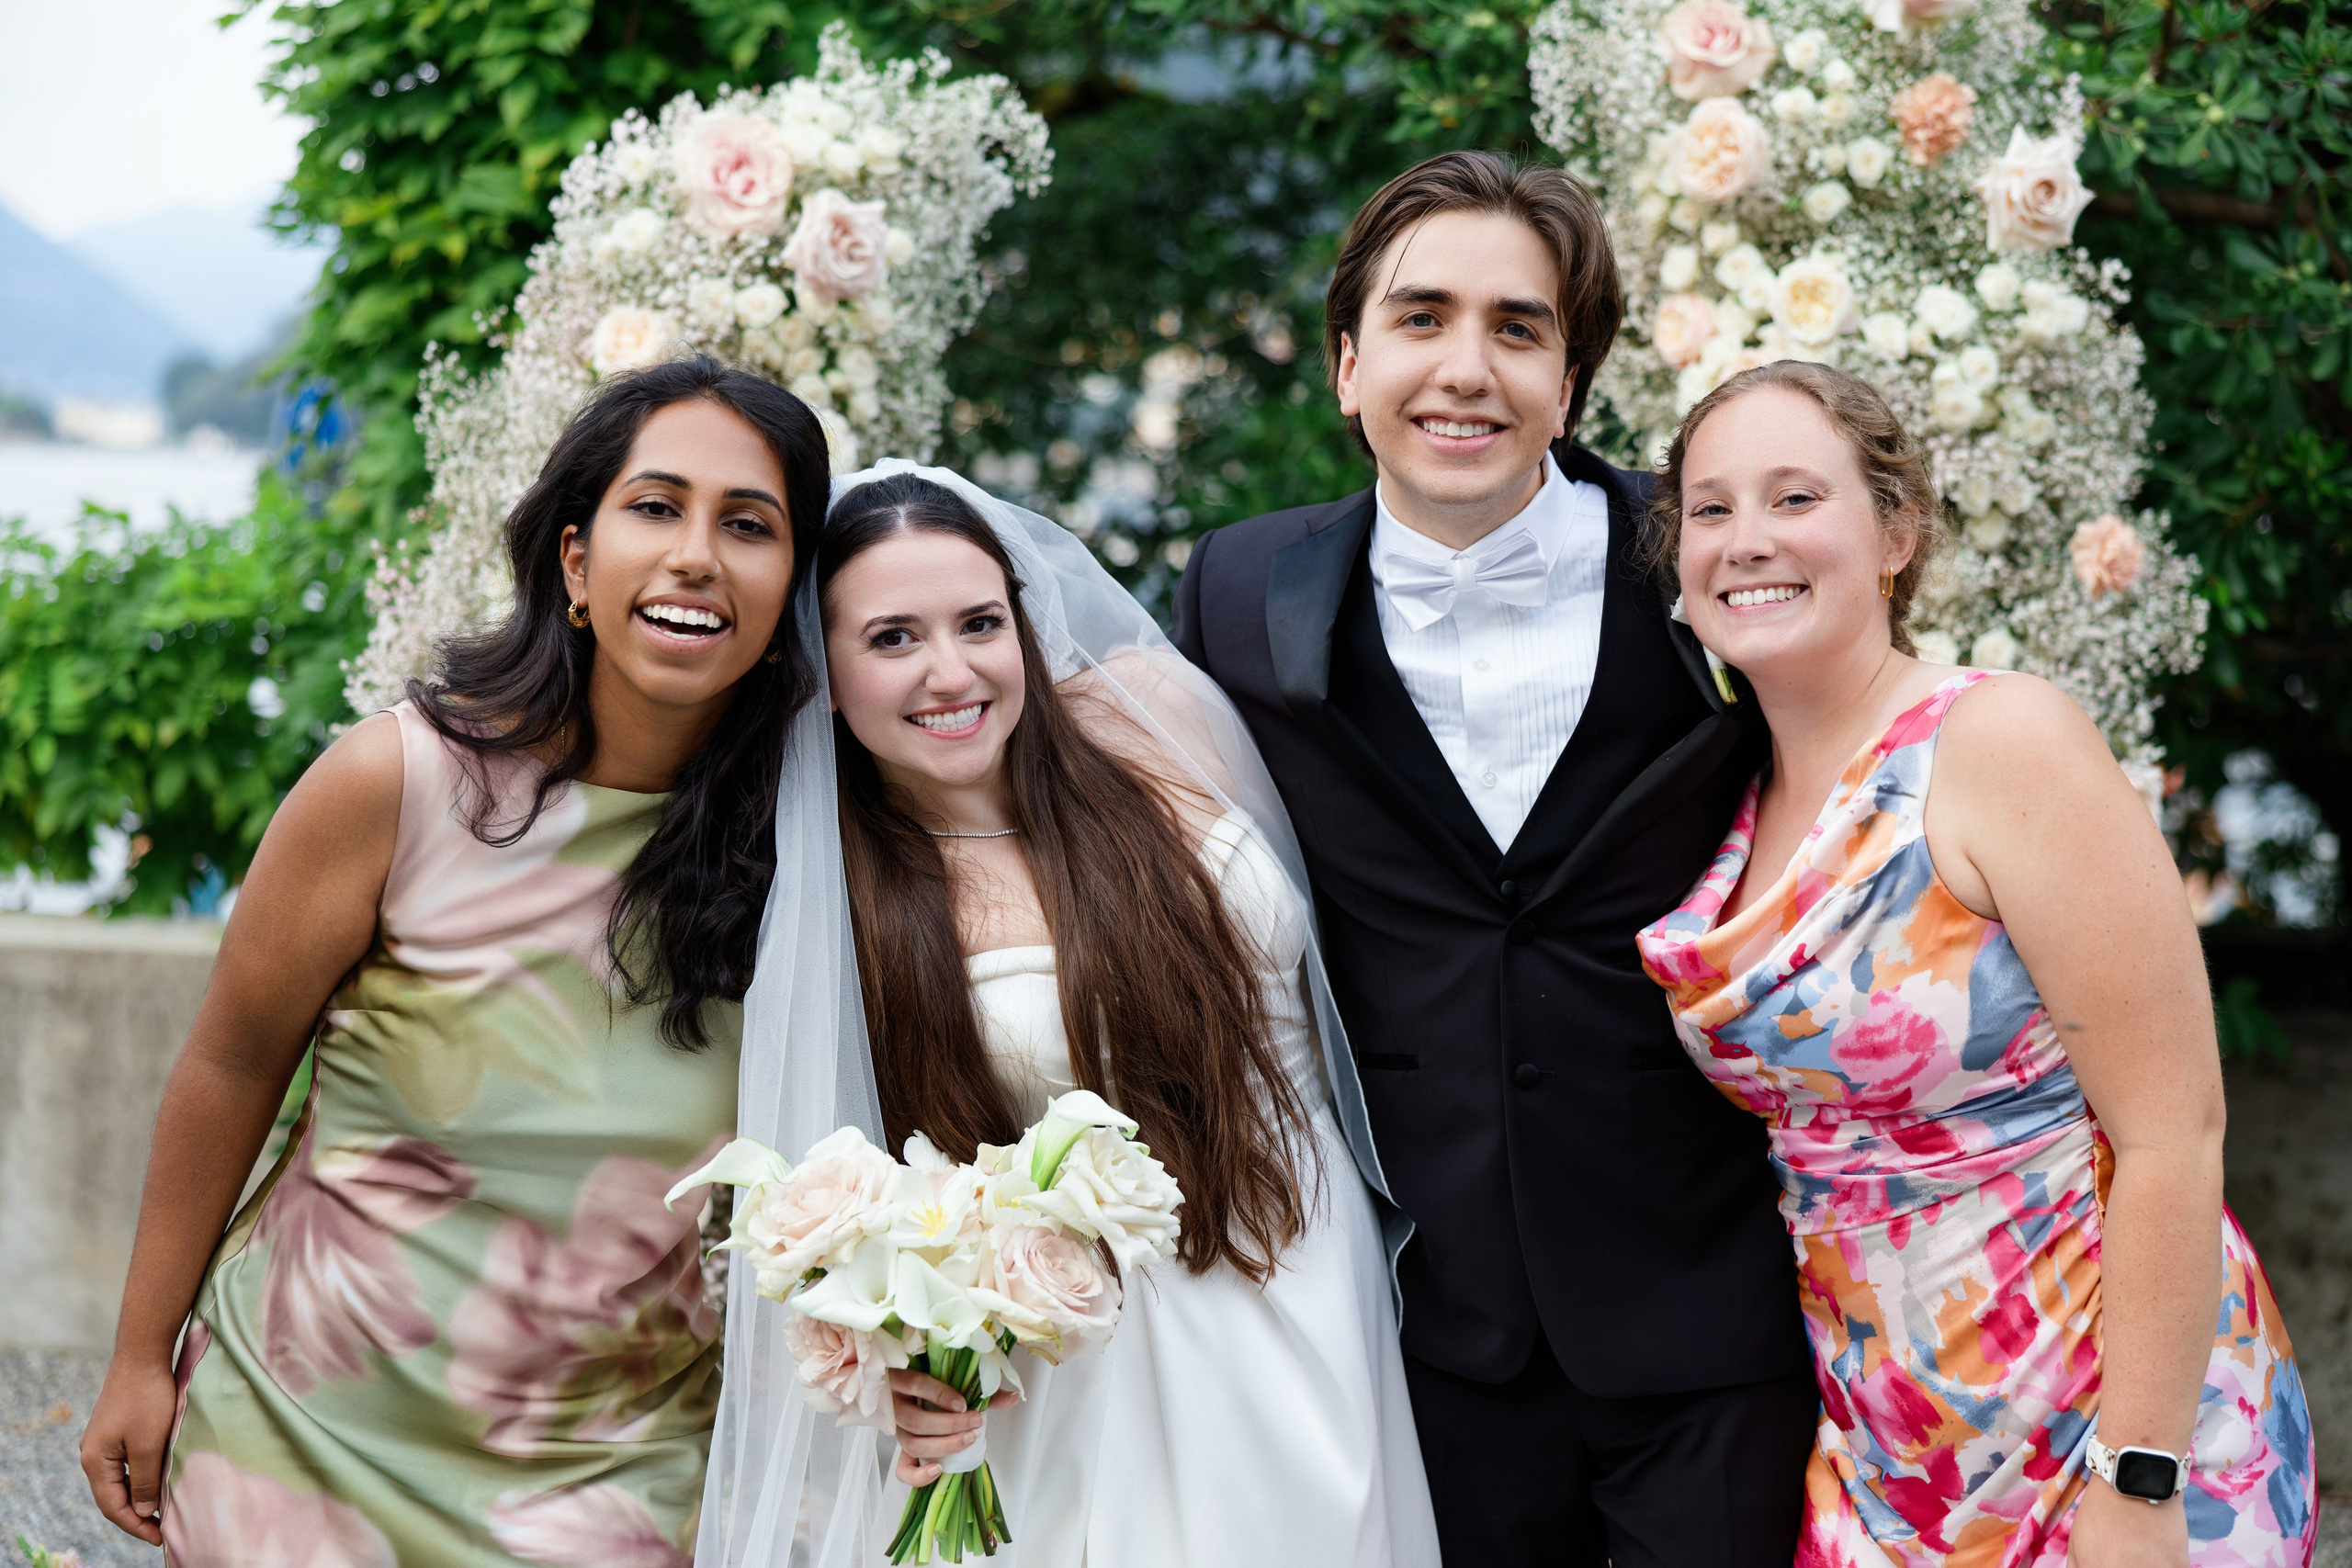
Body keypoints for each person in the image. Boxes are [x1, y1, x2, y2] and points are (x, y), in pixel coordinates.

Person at [1172, 149, 1815, 1564]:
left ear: (1569, 385)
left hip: (1707, 1305)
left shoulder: (1710, 558)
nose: (1466, 367)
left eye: (1517, 328)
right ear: (1347, 364)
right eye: (1422, 319)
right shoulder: (1231, 589)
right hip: (1414, 1326)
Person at [79, 357, 832, 1566]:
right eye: (656, 506)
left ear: (790, 587)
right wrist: (133, 1355)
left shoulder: (813, 858)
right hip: (301, 1442)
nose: (698, 553)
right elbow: (230, 1061)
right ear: (576, 564)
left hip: (612, 1480)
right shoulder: (400, 782)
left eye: (749, 525)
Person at [1634, 359, 2316, 1566]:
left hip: (2102, 1418)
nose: (1748, 539)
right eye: (1712, 506)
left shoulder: (2001, 742)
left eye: (1796, 498)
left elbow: (2172, 1133)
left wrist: (2140, 1480)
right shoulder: (1727, 792)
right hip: (1883, 1443)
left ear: (1897, 532)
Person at [793, 464, 1437, 1567]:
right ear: (826, 674)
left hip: (1308, 1263)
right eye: (892, 639)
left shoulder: (1155, 716)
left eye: (979, 623)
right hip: (1097, 1375)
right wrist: (896, 1367)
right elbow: (851, 1193)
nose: (951, 671)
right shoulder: (842, 902)